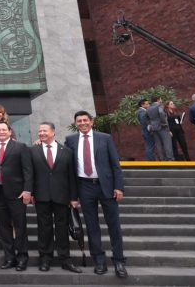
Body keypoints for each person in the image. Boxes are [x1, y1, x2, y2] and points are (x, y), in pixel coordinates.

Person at [65, 111, 127, 278]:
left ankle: (119, 261)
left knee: (114, 225)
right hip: (84, 187)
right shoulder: (70, 140)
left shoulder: (104, 138)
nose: (83, 123)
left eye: (85, 120)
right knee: (92, 226)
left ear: (91, 122)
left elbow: (115, 164)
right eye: (79, 121)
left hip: (105, 186)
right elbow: (67, 165)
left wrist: (118, 187)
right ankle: (99, 261)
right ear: (75, 123)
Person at [30, 122, 81, 273]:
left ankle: (65, 259)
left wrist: (73, 197)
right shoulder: (33, 150)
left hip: (62, 196)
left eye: (44, 131)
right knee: (44, 228)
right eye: (39, 131)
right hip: (41, 196)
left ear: (53, 132)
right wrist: (31, 192)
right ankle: (45, 258)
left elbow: (72, 176)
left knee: (62, 228)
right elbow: (30, 174)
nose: (41, 133)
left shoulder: (67, 151)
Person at [0, 122, 32, 271]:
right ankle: (9, 258)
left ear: (10, 132)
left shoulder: (20, 147)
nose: (2, 132)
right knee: (4, 228)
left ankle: (22, 257)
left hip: (17, 193)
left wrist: (27, 190)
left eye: (4, 129)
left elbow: (28, 171)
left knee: (20, 226)